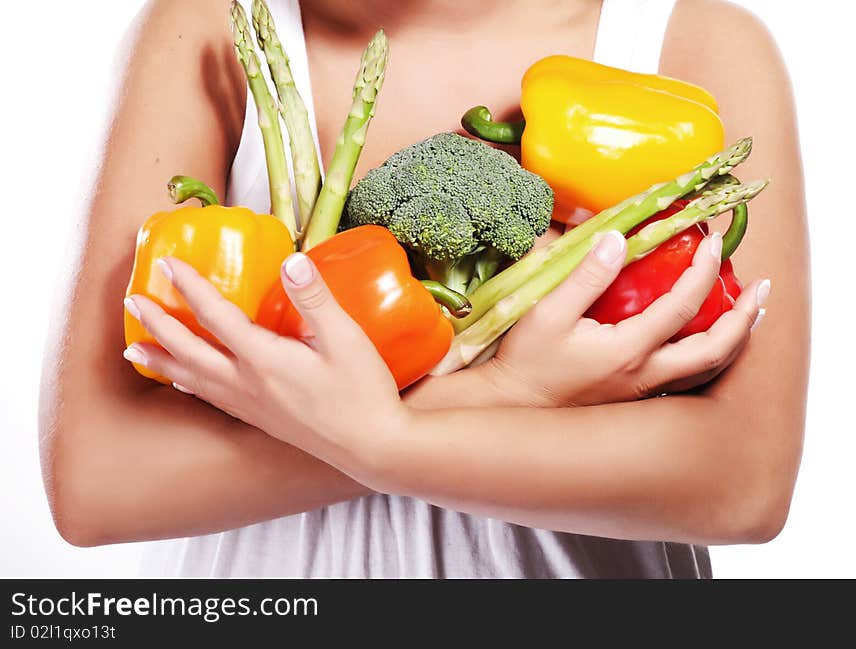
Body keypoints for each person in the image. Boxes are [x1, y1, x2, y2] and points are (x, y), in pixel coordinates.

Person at [39, 0, 809, 578]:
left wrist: (390, 438)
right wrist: (504, 390)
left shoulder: (694, 40)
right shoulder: (214, 26)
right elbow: (97, 481)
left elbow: (746, 481)